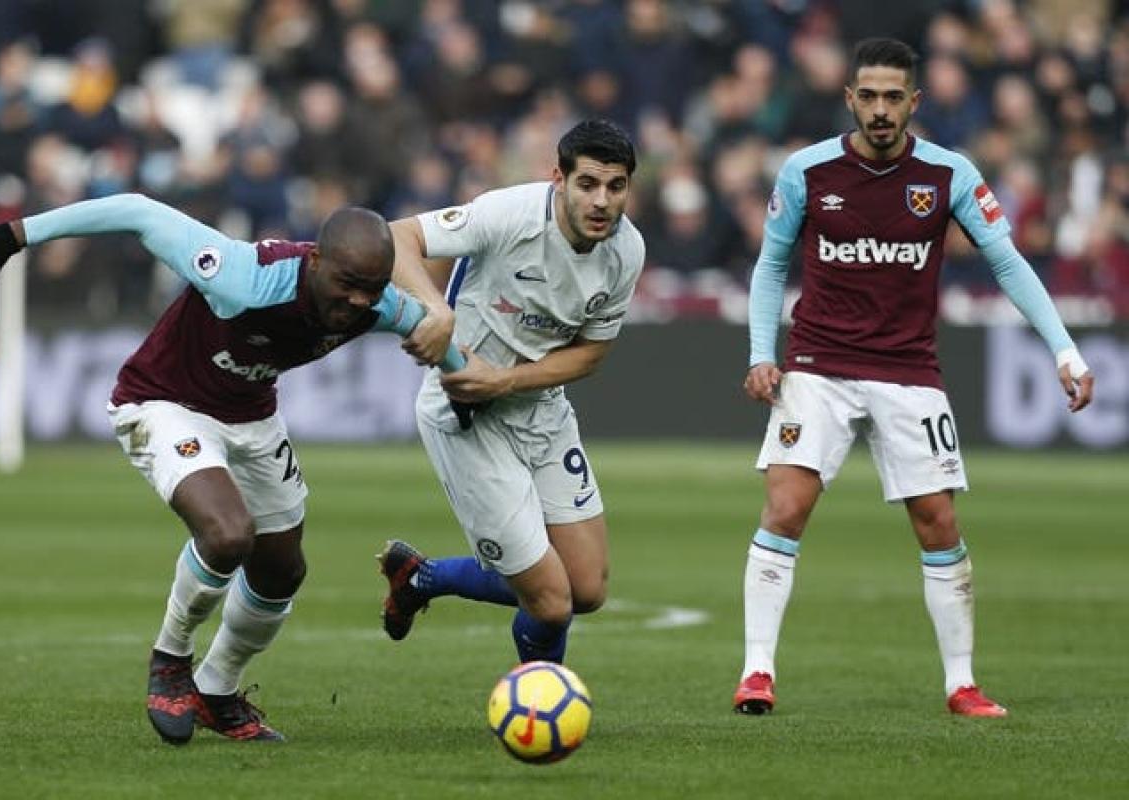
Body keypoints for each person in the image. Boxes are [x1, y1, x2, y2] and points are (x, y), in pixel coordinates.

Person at [0, 194, 460, 743]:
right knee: (228, 533)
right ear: (315, 261)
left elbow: (442, 343)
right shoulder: (242, 277)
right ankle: (171, 659)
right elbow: (138, 212)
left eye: (372, 288)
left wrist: (467, 387)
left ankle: (216, 690)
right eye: (348, 283)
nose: (358, 301)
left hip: (253, 416)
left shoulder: (380, 306)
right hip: (163, 402)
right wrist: (9, 237)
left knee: (282, 570)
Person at [734, 38, 1095, 718]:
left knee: (937, 521)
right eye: (868, 96)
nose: (880, 109)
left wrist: (1064, 350)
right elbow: (771, 264)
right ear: (850, 98)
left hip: (908, 368)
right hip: (817, 364)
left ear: (914, 102)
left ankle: (961, 684)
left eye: (893, 98)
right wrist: (761, 353)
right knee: (785, 507)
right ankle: (757, 673)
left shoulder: (949, 174)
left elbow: (1008, 262)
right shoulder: (806, 171)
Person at [375, 118, 645, 666]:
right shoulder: (509, 214)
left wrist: (506, 380)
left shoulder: (627, 250)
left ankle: (422, 578)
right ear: (558, 180)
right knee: (551, 602)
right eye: (587, 184)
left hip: (540, 409)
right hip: (465, 417)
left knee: (586, 589)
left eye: (615, 186)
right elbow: (396, 237)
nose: (601, 201)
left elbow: (590, 354)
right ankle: (538, 696)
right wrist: (436, 311)